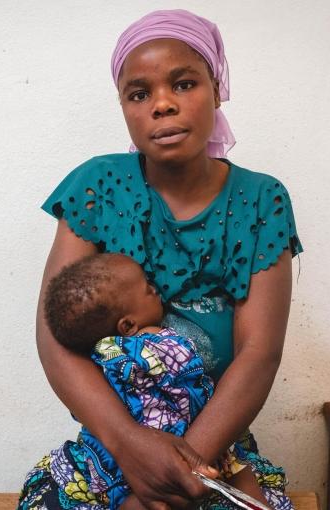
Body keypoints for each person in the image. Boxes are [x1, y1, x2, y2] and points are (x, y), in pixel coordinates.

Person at [28, 9, 302, 510]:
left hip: (217, 450)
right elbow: (54, 335)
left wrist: (184, 469)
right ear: (124, 108)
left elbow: (259, 352)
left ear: (217, 90)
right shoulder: (97, 187)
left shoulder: (263, 200)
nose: (162, 105)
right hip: (110, 447)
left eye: (184, 84)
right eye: (139, 94)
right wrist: (131, 449)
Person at [22, 252, 263, 509]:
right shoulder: (164, 348)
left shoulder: (95, 362)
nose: (155, 289)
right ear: (127, 325)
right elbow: (197, 397)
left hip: (107, 469)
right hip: (183, 453)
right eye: (148, 288)